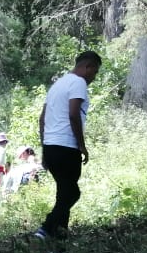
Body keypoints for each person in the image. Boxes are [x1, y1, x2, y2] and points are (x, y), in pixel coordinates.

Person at [35, 51, 102, 240]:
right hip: (66, 147)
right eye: (94, 72)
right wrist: (81, 145)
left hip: (51, 146)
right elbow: (73, 114)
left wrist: (44, 150)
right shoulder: (78, 83)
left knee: (63, 192)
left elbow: (42, 119)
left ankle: (60, 235)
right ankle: (46, 228)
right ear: (87, 67)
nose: (94, 77)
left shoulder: (58, 84)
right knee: (72, 193)